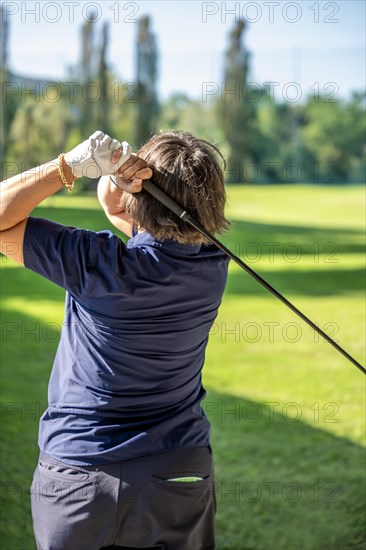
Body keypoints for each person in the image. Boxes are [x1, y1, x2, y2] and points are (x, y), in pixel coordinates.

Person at [0, 130, 230, 550]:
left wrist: (68, 166)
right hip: (179, 472)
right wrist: (124, 189)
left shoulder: (96, 262)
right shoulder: (213, 265)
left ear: (140, 197)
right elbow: (118, 209)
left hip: (78, 475)